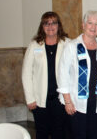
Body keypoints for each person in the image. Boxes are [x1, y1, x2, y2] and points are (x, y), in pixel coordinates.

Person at [57, 10, 97, 139]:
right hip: (76, 104)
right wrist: (67, 102)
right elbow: (62, 75)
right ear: (83, 25)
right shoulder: (72, 46)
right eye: (90, 23)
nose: (93, 27)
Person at [22, 11, 69, 139]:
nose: (50, 26)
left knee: (59, 133)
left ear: (58, 25)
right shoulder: (34, 45)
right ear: (42, 26)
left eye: (53, 23)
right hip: (40, 100)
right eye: (46, 23)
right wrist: (30, 98)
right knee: (41, 133)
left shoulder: (67, 44)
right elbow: (26, 74)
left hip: (61, 100)